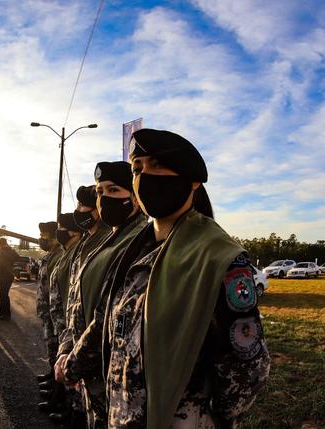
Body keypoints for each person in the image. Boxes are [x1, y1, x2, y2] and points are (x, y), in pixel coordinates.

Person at [102, 128, 270, 428]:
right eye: (137, 168)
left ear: (192, 182)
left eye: (156, 166)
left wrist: (206, 418)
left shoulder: (220, 257)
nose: (143, 177)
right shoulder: (133, 252)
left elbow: (248, 366)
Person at [55, 161, 147, 429]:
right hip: (89, 369)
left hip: (110, 375)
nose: (104, 197)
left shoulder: (137, 241)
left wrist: (73, 362)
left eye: (114, 190)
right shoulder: (112, 239)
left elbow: (109, 315)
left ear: (135, 197)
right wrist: (66, 348)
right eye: (99, 191)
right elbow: (76, 302)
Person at [44, 212, 85, 425]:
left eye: (63, 228)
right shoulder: (67, 253)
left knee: (70, 371)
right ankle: (60, 399)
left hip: (68, 323)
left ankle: (66, 407)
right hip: (60, 321)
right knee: (60, 362)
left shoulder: (76, 253)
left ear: (74, 231)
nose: (59, 232)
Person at [36, 221, 64, 384]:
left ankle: (56, 386)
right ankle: (51, 374)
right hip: (47, 310)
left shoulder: (58, 256)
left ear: (54, 237)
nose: (41, 239)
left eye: (43, 236)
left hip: (53, 311)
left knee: (55, 345)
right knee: (50, 345)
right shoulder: (50, 256)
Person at [0, 238, 20, 320]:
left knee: (4, 295)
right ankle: (1, 311)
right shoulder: (10, 251)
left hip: (2, 277)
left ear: (0, 244)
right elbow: (17, 257)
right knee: (3, 294)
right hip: (8, 276)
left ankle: (6, 314)